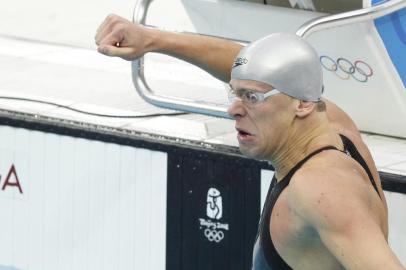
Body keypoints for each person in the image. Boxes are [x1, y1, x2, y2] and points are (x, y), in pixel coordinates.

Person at [95, 14, 405, 269]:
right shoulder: (335, 125)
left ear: (301, 104)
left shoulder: (320, 190)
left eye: (252, 98)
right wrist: (154, 39)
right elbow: (253, 69)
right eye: (236, 93)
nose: (234, 109)